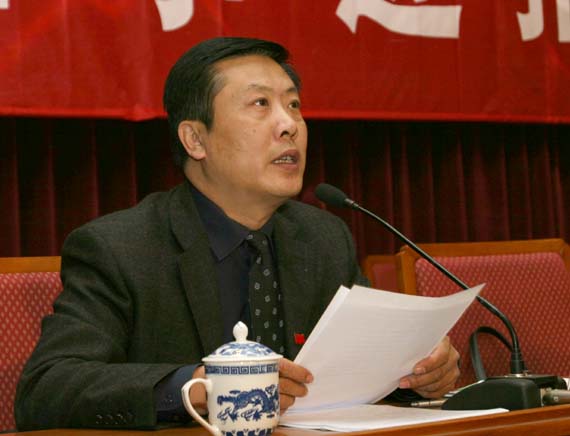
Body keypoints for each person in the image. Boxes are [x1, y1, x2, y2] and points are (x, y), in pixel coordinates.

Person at [15, 37, 460, 430]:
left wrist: (415, 371)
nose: (289, 125)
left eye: (294, 105)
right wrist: (197, 387)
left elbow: (358, 368)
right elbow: (47, 388)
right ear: (195, 140)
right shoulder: (121, 247)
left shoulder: (323, 238)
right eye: (260, 104)